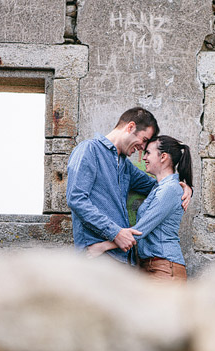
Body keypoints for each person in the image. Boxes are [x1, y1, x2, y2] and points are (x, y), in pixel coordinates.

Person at [66, 107, 192, 265]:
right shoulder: (89, 150)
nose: (142, 148)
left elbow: (159, 187)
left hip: (123, 258)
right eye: (144, 140)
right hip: (96, 255)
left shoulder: (125, 165)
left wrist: (182, 187)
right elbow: (76, 199)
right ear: (130, 127)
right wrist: (115, 233)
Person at [86, 135, 192, 282]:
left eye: (148, 153)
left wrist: (103, 246)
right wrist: (184, 186)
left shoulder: (170, 190)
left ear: (163, 157)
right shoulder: (163, 188)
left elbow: (141, 230)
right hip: (152, 267)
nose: (144, 158)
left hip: (165, 269)